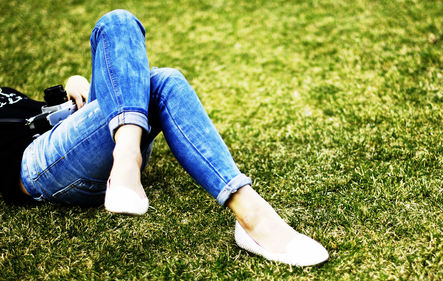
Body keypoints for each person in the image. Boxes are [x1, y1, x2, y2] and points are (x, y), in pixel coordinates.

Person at [3, 9, 328, 266]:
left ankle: (126, 154)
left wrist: (72, 85)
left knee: (116, 22)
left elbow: (29, 114)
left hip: (71, 129)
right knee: (163, 82)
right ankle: (253, 216)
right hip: (37, 163)